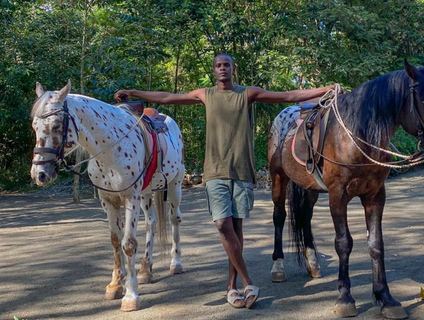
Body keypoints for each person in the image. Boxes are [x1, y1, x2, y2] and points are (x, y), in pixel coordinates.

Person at [114, 53, 340, 309]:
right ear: (214, 70)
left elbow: (288, 95)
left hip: (242, 171)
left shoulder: (248, 94)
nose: (223, 69)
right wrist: (135, 92)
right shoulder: (205, 94)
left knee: (237, 229)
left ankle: (231, 288)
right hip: (215, 172)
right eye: (219, 65)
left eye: (227, 65)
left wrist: (325, 90)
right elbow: (167, 98)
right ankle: (247, 281)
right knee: (223, 225)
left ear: (234, 68)